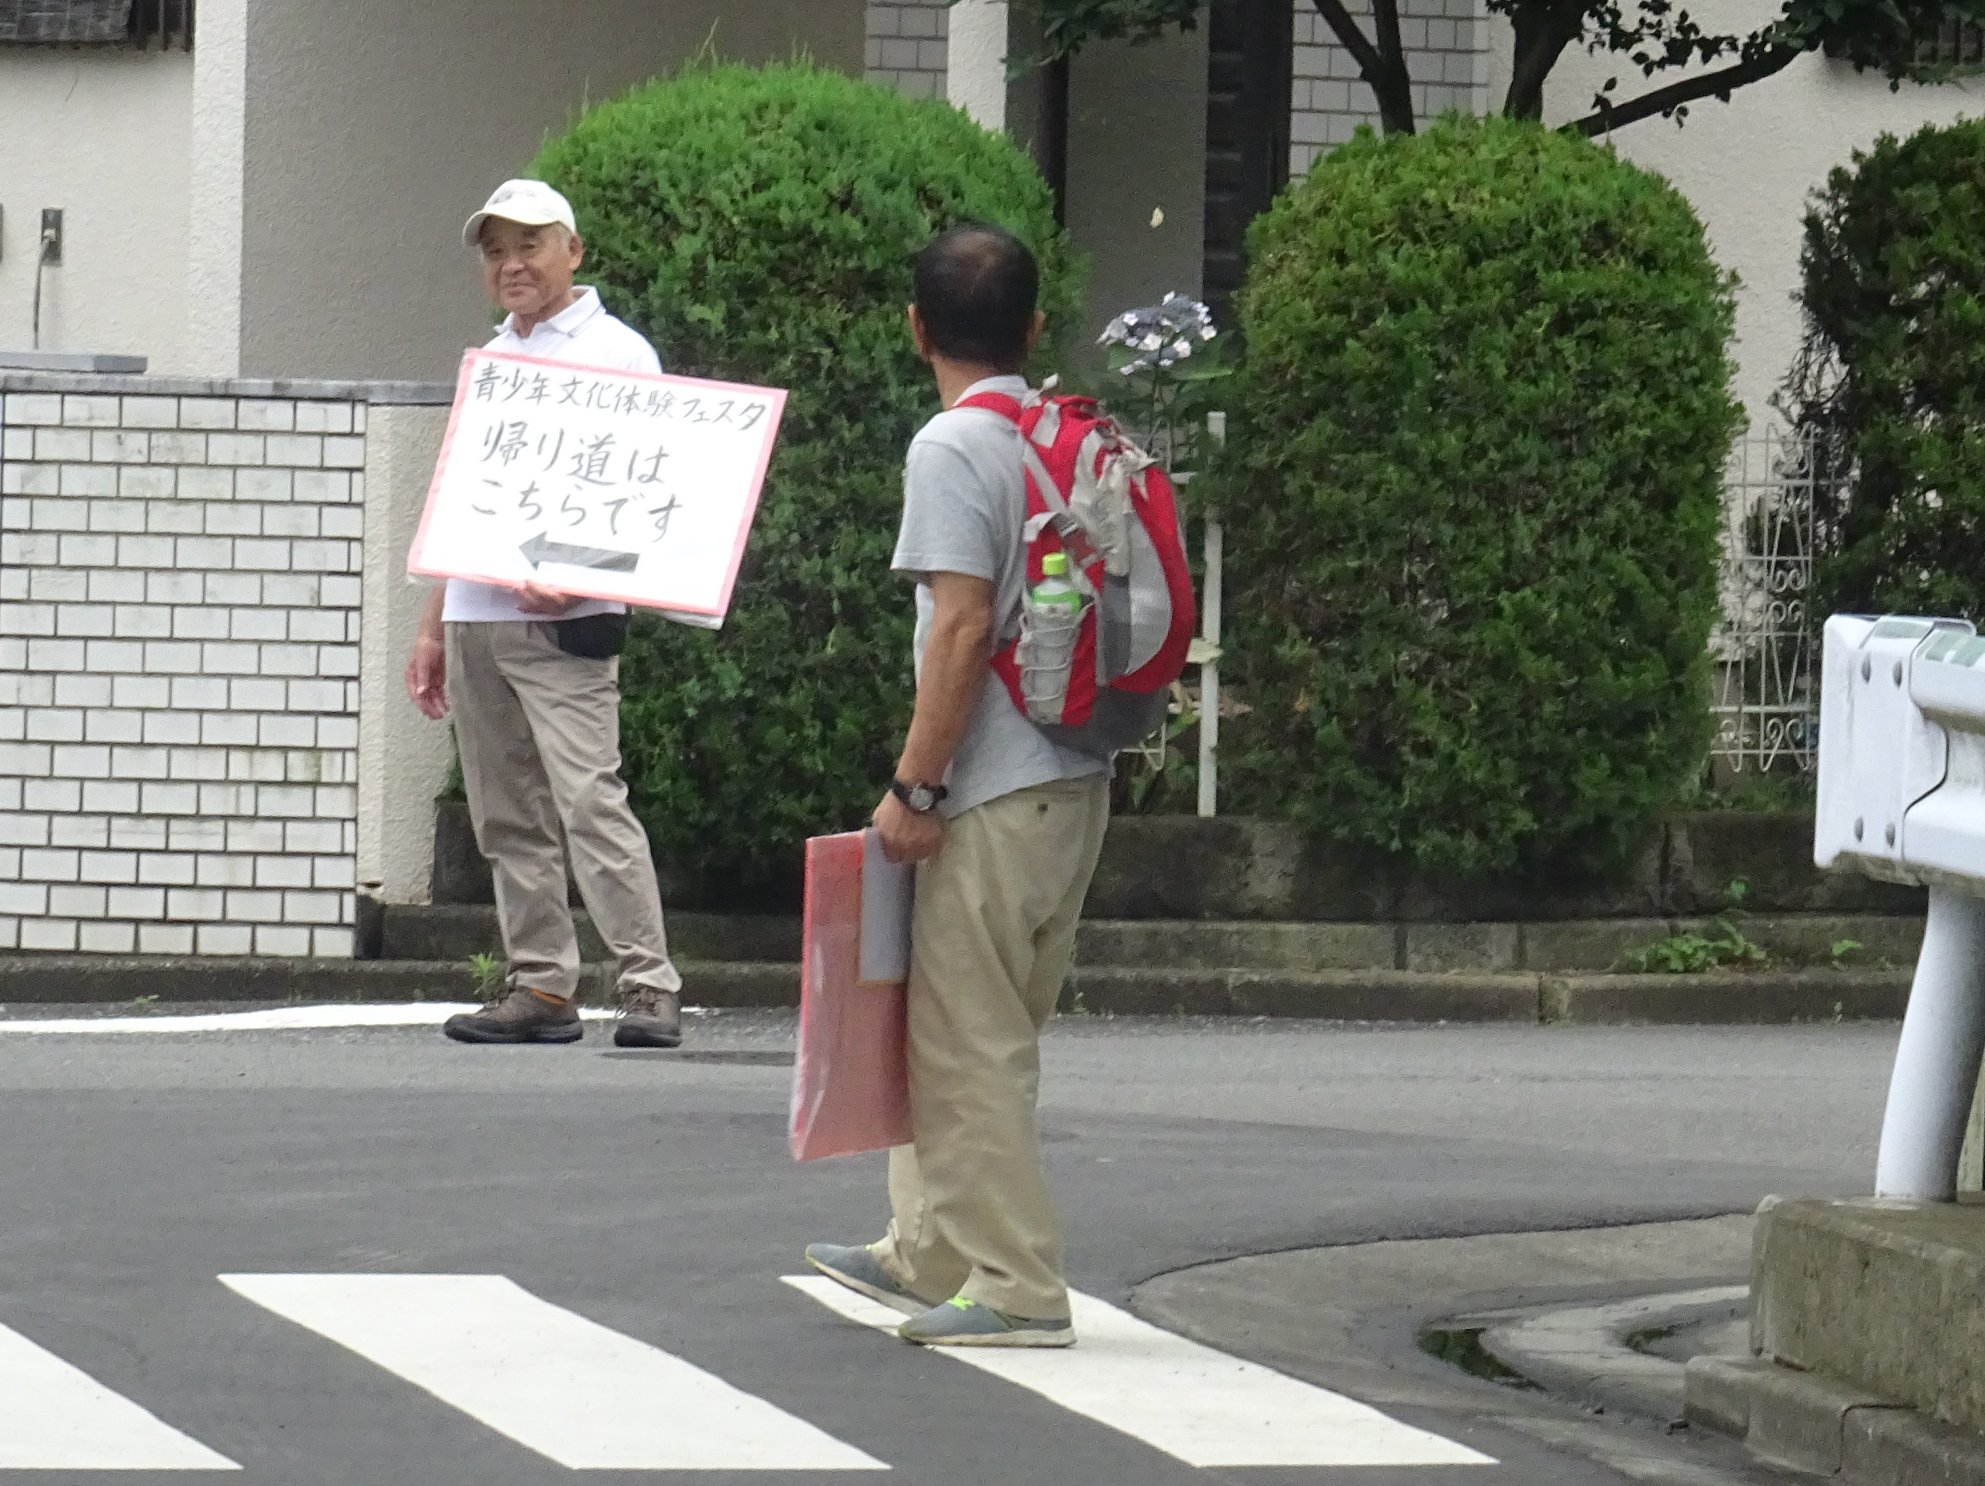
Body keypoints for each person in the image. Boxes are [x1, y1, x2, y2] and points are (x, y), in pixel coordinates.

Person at [805, 225, 1113, 1348]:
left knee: (964, 1045)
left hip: (989, 789)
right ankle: (926, 1250)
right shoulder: (1064, 433)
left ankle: (1017, 1285)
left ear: (915, 328)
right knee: (970, 1030)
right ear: (1033, 327)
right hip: (1073, 776)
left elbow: (961, 627)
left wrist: (915, 789)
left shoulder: (952, 445)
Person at [405, 179, 684, 1050]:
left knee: (590, 798)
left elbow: (658, 493)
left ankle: (649, 985)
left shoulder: (620, 352)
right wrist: (432, 624)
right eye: (495, 251)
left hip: (569, 619)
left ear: (573, 250)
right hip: (476, 610)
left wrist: (579, 576)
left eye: (528, 244)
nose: (511, 264)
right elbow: (462, 497)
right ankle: (541, 984)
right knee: (503, 813)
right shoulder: (491, 356)